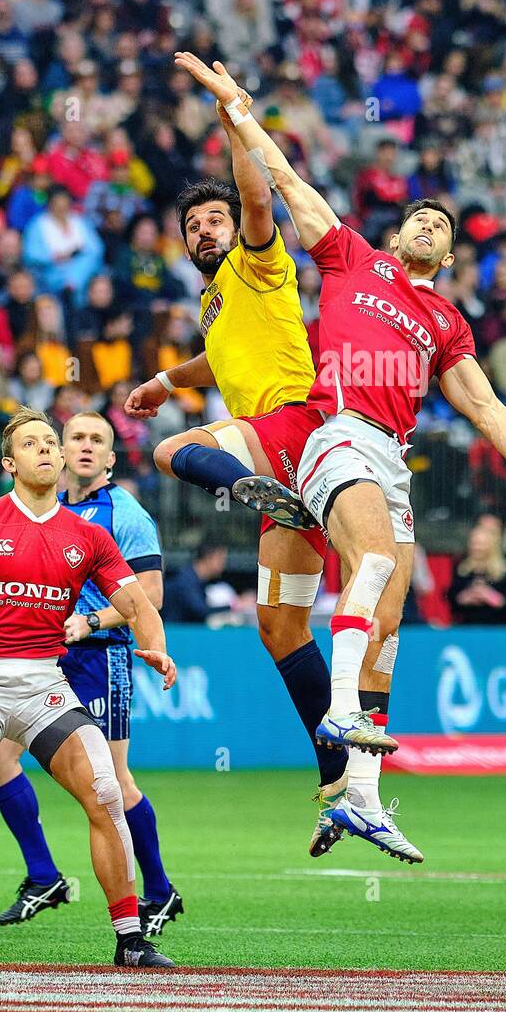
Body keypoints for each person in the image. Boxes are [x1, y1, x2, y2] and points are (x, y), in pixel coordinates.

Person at [174, 54, 506, 864]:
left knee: (388, 627)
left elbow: (486, 407)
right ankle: (335, 718)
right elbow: (283, 180)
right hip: (338, 432)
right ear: (395, 235)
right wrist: (235, 111)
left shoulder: (448, 324)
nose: (427, 224)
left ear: (451, 256)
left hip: (389, 457)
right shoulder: (352, 258)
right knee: (365, 571)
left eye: (441, 224)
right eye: (418, 218)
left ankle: (358, 795)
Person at [125, 102, 368, 860]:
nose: (205, 229)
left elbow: (258, 196)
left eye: (214, 219)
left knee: (170, 453)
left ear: (233, 228)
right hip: (282, 462)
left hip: (290, 428)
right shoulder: (215, 298)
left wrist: (234, 121)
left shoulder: (256, 260)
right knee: (281, 628)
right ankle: (343, 782)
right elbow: (221, 356)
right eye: (193, 223)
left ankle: (240, 486)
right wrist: (170, 377)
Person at [0, 408, 176, 969]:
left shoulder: (90, 536)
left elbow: (139, 603)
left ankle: (130, 938)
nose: (47, 450)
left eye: (52, 441)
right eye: (33, 443)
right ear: (10, 463)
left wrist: (157, 645)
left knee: (104, 789)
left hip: (45, 685)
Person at [0, 411, 183, 940]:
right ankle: (44, 875)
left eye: (99, 440)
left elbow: (151, 599)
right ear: (60, 448)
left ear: (112, 457)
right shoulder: (50, 511)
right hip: (46, 655)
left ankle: (160, 891)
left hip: (101, 656)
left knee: (113, 782)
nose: (87, 447)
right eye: (77, 438)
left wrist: (90, 619)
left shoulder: (126, 512)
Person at [448, 518, 506, 625]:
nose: (476, 547)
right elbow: (452, 600)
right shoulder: (462, 570)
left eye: (481, 544)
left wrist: (492, 598)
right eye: (474, 543)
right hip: (468, 628)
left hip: (501, 628)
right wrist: (464, 598)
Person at [163, 542, 233, 624]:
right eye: (221, 559)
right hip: (173, 633)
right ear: (209, 558)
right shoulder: (186, 580)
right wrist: (234, 606)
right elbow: (200, 611)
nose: (223, 564)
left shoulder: (198, 581)